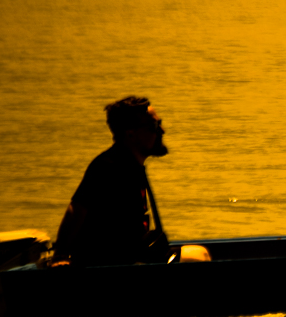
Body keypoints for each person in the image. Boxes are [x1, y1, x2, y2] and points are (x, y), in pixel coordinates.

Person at [52, 96, 210, 266]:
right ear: (130, 133)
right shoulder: (108, 167)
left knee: (200, 253)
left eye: (160, 123)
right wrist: (60, 256)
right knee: (199, 257)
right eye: (154, 126)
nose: (162, 130)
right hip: (114, 262)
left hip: (132, 255)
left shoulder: (131, 165)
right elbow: (76, 209)